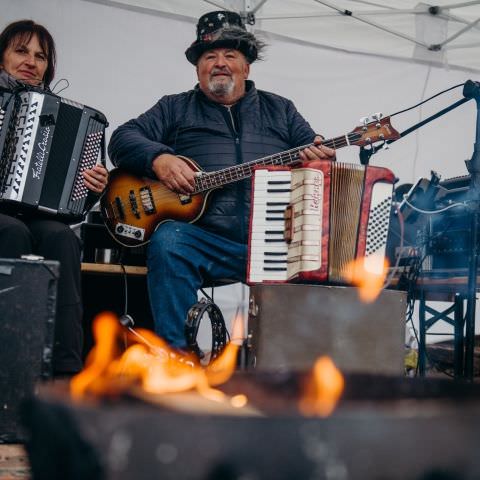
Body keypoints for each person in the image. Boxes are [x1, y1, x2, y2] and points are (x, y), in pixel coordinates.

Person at [108, 10, 335, 352]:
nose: (219, 63)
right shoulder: (174, 108)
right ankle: (176, 357)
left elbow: (317, 156)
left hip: (272, 241)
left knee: (324, 251)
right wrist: (160, 159)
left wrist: (319, 159)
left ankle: (298, 369)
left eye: (230, 55)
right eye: (209, 56)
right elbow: (122, 139)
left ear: (247, 66)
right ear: (198, 68)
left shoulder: (282, 110)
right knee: (169, 242)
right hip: (204, 239)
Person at [0, 20, 109, 376]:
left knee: (62, 237)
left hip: (39, 215)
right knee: (11, 232)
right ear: (2, 57)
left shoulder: (63, 112)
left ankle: (65, 373)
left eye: (41, 56)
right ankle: (12, 368)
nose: (31, 61)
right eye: (21, 51)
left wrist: (92, 186)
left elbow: (75, 203)